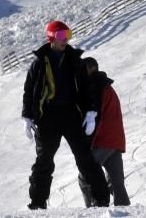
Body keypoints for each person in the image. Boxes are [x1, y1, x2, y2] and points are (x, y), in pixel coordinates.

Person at [22, 20, 109, 210]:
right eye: (62, 36)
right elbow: (30, 90)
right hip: (48, 117)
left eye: (68, 35)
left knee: (84, 157)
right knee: (44, 161)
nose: (66, 40)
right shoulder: (39, 63)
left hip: (71, 114)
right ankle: (37, 203)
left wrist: (91, 112)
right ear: (52, 38)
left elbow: (88, 88)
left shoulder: (75, 60)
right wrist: (27, 117)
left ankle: (101, 199)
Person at [78, 58, 130, 207]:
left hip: (103, 140)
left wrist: (87, 142)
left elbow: (97, 117)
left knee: (85, 177)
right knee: (116, 184)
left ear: (88, 70)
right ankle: (124, 212)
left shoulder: (95, 86)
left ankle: (92, 212)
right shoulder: (106, 86)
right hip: (115, 140)